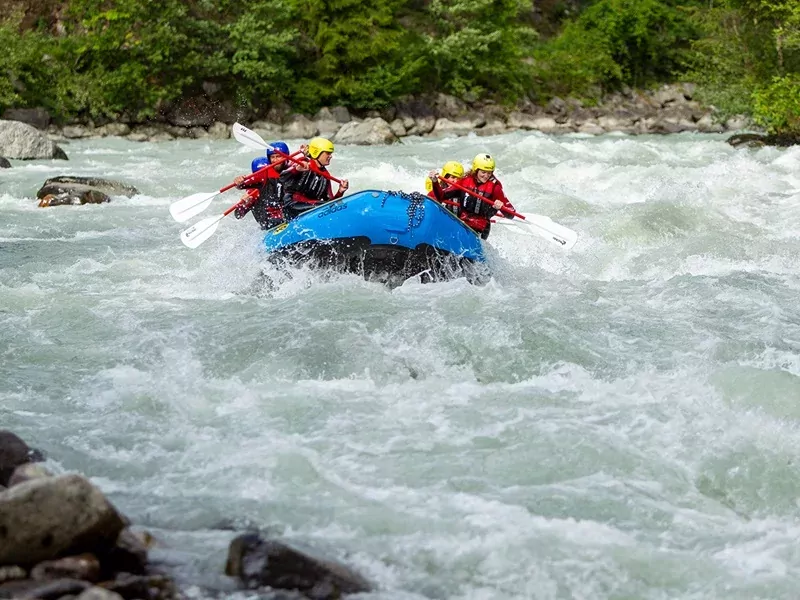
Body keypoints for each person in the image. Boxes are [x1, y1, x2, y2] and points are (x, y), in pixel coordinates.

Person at [430, 153, 515, 239]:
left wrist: (501, 206)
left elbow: (511, 214)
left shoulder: (495, 188)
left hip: (481, 229)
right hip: (462, 223)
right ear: (476, 170)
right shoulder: (465, 182)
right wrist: (435, 182)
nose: (486, 176)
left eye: (489, 173)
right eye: (483, 172)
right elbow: (441, 196)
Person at [279, 137, 349, 221]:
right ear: (317, 153)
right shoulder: (302, 162)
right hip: (291, 206)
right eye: (328, 153)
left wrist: (340, 192)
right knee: (323, 206)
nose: (330, 156)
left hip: (310, 208)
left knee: (332, 206)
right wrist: (296, 169)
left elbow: (331, 203)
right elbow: (282, 177)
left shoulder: (326, 176)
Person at [233, 141, 291, 229]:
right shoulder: (252, 193)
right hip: (269, 225)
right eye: (273, 157)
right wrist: (244, 203)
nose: (261, 176)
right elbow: (238, 214)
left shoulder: (279, 178)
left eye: (278, 156)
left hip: (284, 219)